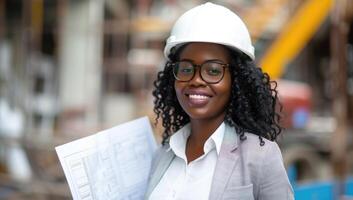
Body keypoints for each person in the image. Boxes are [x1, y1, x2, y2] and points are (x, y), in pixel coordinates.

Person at [145, 2, 294, 200]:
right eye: (186, 69)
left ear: (236, 80)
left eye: (213, 71)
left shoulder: (260, 156)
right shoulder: (164, 154)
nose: (196, 80)